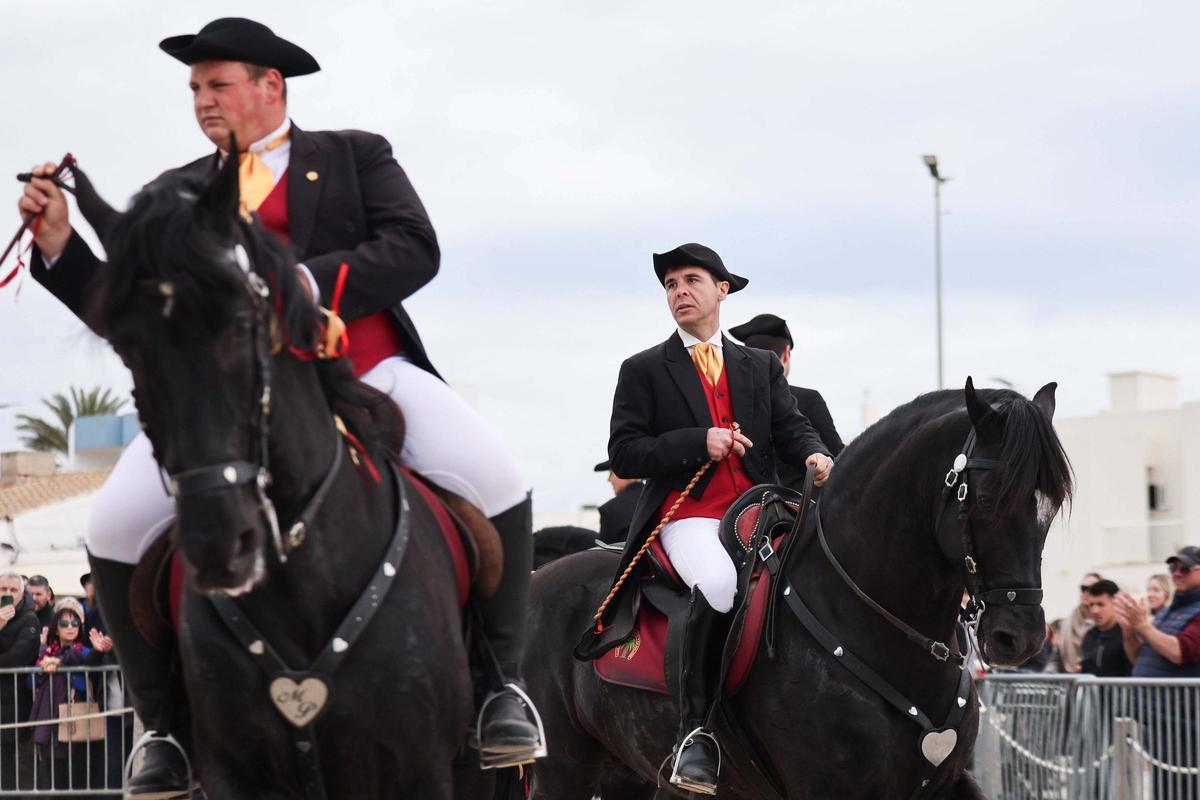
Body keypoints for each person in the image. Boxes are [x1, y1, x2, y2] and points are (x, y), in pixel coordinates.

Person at [18, 17, 541, 791]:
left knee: (496, 477)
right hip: (226, 397)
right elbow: (137, 313)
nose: (202, 100)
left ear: (271, 87)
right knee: (114, 522)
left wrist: (296, 285)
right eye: (194, 88)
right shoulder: (181, 191)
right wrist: (62, 247)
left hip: (362, 364)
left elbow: (413, 246)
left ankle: (502, 686)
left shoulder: (355, 155)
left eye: (217, 83)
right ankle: (164, 728)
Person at [577, 243, 833, 795]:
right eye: (670, 285)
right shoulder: (643, 368)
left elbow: (791, 428)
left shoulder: (759, 365)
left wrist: (814, 453)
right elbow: (624, 453)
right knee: (719, 585)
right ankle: (697, 732)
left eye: (691, 280)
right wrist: (700, 441)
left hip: (759, 510)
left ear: (723, 290)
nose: (679, 292)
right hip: (687, 515)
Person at [727, 313, 843, 493]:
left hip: (743, 504)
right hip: (801, 511)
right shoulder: (808, 399)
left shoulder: (727, 400)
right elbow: (838, 456)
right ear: (786, 353)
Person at [29, 598, 101, 792]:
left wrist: (60, 666)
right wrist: (44, 663)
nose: (70, 627)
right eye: (64, 623)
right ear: (56, 627)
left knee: (76, 781)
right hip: (50, 721)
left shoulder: (85, 651)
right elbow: (31, 682)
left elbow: (88, 679)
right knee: (52, 781)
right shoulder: (46, 653)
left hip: (75, 720)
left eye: (75, 622)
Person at [0, 572, 40, 792]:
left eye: (12, 590)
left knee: (15, 760)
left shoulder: (29, 618)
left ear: (21, 593)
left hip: (16, 700)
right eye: (2, 589)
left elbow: (20, 656)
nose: (7, 594)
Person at [1079, 579, 1131, 677]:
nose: (1095, 610)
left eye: (1100, 604)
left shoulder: (1128, 634)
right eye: (1091, 605)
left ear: (1115, 604)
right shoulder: (1089, 636)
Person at [1059, 571, 1101, 673]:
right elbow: (1057, 657)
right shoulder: (1067, 624)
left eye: (1092, 589)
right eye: (1083, 588)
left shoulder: (1106, 624)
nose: (1086, 592)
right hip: (1071, 681)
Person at [593, 459, 642, 545]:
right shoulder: (658, 499)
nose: (609, 479)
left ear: (626, 472)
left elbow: (604, 554)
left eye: (611, 473)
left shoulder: (610, 509)